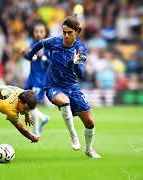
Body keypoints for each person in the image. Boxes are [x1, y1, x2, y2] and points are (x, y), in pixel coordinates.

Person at [22, 16, 101, 158]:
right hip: (53, 86)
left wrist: (76, 63)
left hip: (72, 87)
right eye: (64, 31)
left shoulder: (81, 48)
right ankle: (73, 136)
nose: (66, 35)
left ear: (77, 31)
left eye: (69, 32)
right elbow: (40, 43)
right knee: (64, 101)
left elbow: (81, 74)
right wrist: (29, 55)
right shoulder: (55, 42)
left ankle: (89, 149)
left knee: (89, 122)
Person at [24, 21, 50, 137]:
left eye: (41, 31)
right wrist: (24, 53)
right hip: (31, 78)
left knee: (31, 104)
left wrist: (43, 57)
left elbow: (51, 63)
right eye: (36, 31)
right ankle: (43, 118)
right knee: (24, 102)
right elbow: (29, 57)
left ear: (45, 33)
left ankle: (35, 131)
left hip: (40, 80)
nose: (38, 34)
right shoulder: (32, 44)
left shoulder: (48, 46)